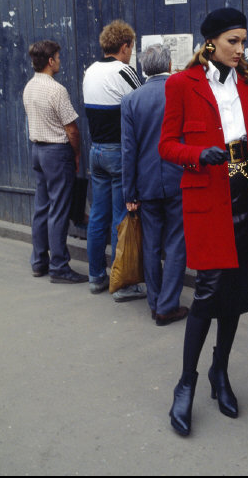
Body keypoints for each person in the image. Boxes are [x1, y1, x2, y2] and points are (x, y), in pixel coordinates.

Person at [158, 7, 248, 436]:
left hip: (243, 184)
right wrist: (197, 155)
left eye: (244, 41)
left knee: (237, 292)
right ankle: (186, 383)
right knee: (208, 292)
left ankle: (219, 373)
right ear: (211, 42)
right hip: (208, 191)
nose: (240, 49)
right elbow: (167, 146)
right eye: (234, 41)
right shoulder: (181, 84)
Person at [121, 44, 188, 325]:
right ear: (170, 64)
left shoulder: (131, 100)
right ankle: (167, 306)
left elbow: (128, 150)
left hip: (146, 182)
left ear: (143, 69)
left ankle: (155, 302)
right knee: (176, 243)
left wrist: (129, 192)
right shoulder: (182, 93)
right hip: (178, 180)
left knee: (150, 243)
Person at [83, 19, 146, 301]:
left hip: (96, 151)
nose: (131, 52)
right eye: (131, 46)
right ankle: (121, 284)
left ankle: (96, 276)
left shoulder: (90, 70)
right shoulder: (124, 70)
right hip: (118, 152)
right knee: (121, 218)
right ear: (125, 46)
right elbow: (143, 100)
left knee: (98, 215)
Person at [23, 39, 87, 283]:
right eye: (58, 57)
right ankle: (59, 266)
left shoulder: (29, 86)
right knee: (59, 209)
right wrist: (77, 155)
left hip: (37, 149)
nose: (60, 61)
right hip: (56, 152)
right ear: (50, 61)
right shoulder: (56, 90)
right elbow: (71, 129)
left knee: (42, 207)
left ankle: (39, 261)